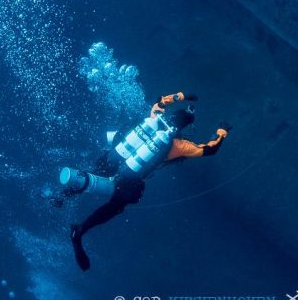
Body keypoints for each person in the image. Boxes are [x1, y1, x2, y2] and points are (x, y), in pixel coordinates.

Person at [61, 91, 231, 271]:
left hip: (116, 157)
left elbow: (162, 100)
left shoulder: (155, 116)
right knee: (115, 206)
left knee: (96, 173)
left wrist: (183, 95)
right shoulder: (179, 146)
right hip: (129, 180)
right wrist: (222, 130)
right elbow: (209, 149)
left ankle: (65, 193)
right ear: (182, 129)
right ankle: (81, 230)